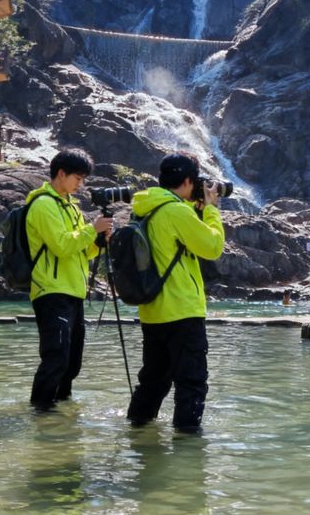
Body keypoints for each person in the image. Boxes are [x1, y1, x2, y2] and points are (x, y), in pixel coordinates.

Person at [126, 153, 225, 431]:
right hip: (182, 311)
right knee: (191, 383)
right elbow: (212, 247)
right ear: (188, 181)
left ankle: (137, 433)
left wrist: (194, 207)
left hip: (152, 311)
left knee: (153, 381)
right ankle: (187, 445)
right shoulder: (177, 212)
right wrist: (211, 210)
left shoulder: (144, 209)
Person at [26, 148, 113, 411]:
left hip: (74, 292)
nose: (81, 184)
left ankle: (61, 412)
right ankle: (41, 413)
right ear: (61, 174)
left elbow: (82, 251)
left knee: (72, 363)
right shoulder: (43, 204)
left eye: (83, 179)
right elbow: (62, 246)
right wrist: (92, 229)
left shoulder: (71, 207)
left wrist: (98, 241)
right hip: (51, 291)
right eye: (78, 177)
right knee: (56, 358)